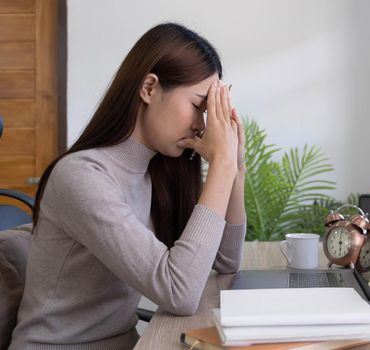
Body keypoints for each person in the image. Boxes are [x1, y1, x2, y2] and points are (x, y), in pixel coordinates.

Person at [9, 23, 246, 349]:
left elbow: (227, 261)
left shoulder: (157, 171)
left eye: (208, 112)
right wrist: (222, 164)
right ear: (149, 88)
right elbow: (179, 292)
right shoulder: (82, 177)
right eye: (197, 106)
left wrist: (236, 166)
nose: (201, 125)